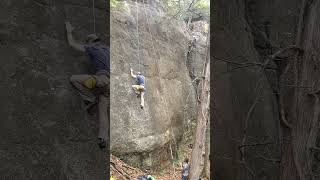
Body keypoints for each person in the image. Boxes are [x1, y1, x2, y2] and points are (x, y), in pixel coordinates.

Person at [65, 21, 109, 149]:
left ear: (90, 42)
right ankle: (103, 138)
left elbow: (72, 44)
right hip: (109, 86)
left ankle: (89, 98)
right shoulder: (107, 49)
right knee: (103, 112)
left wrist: (69, 31)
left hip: (100, 79)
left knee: (74, 79)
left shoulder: (92, 48)